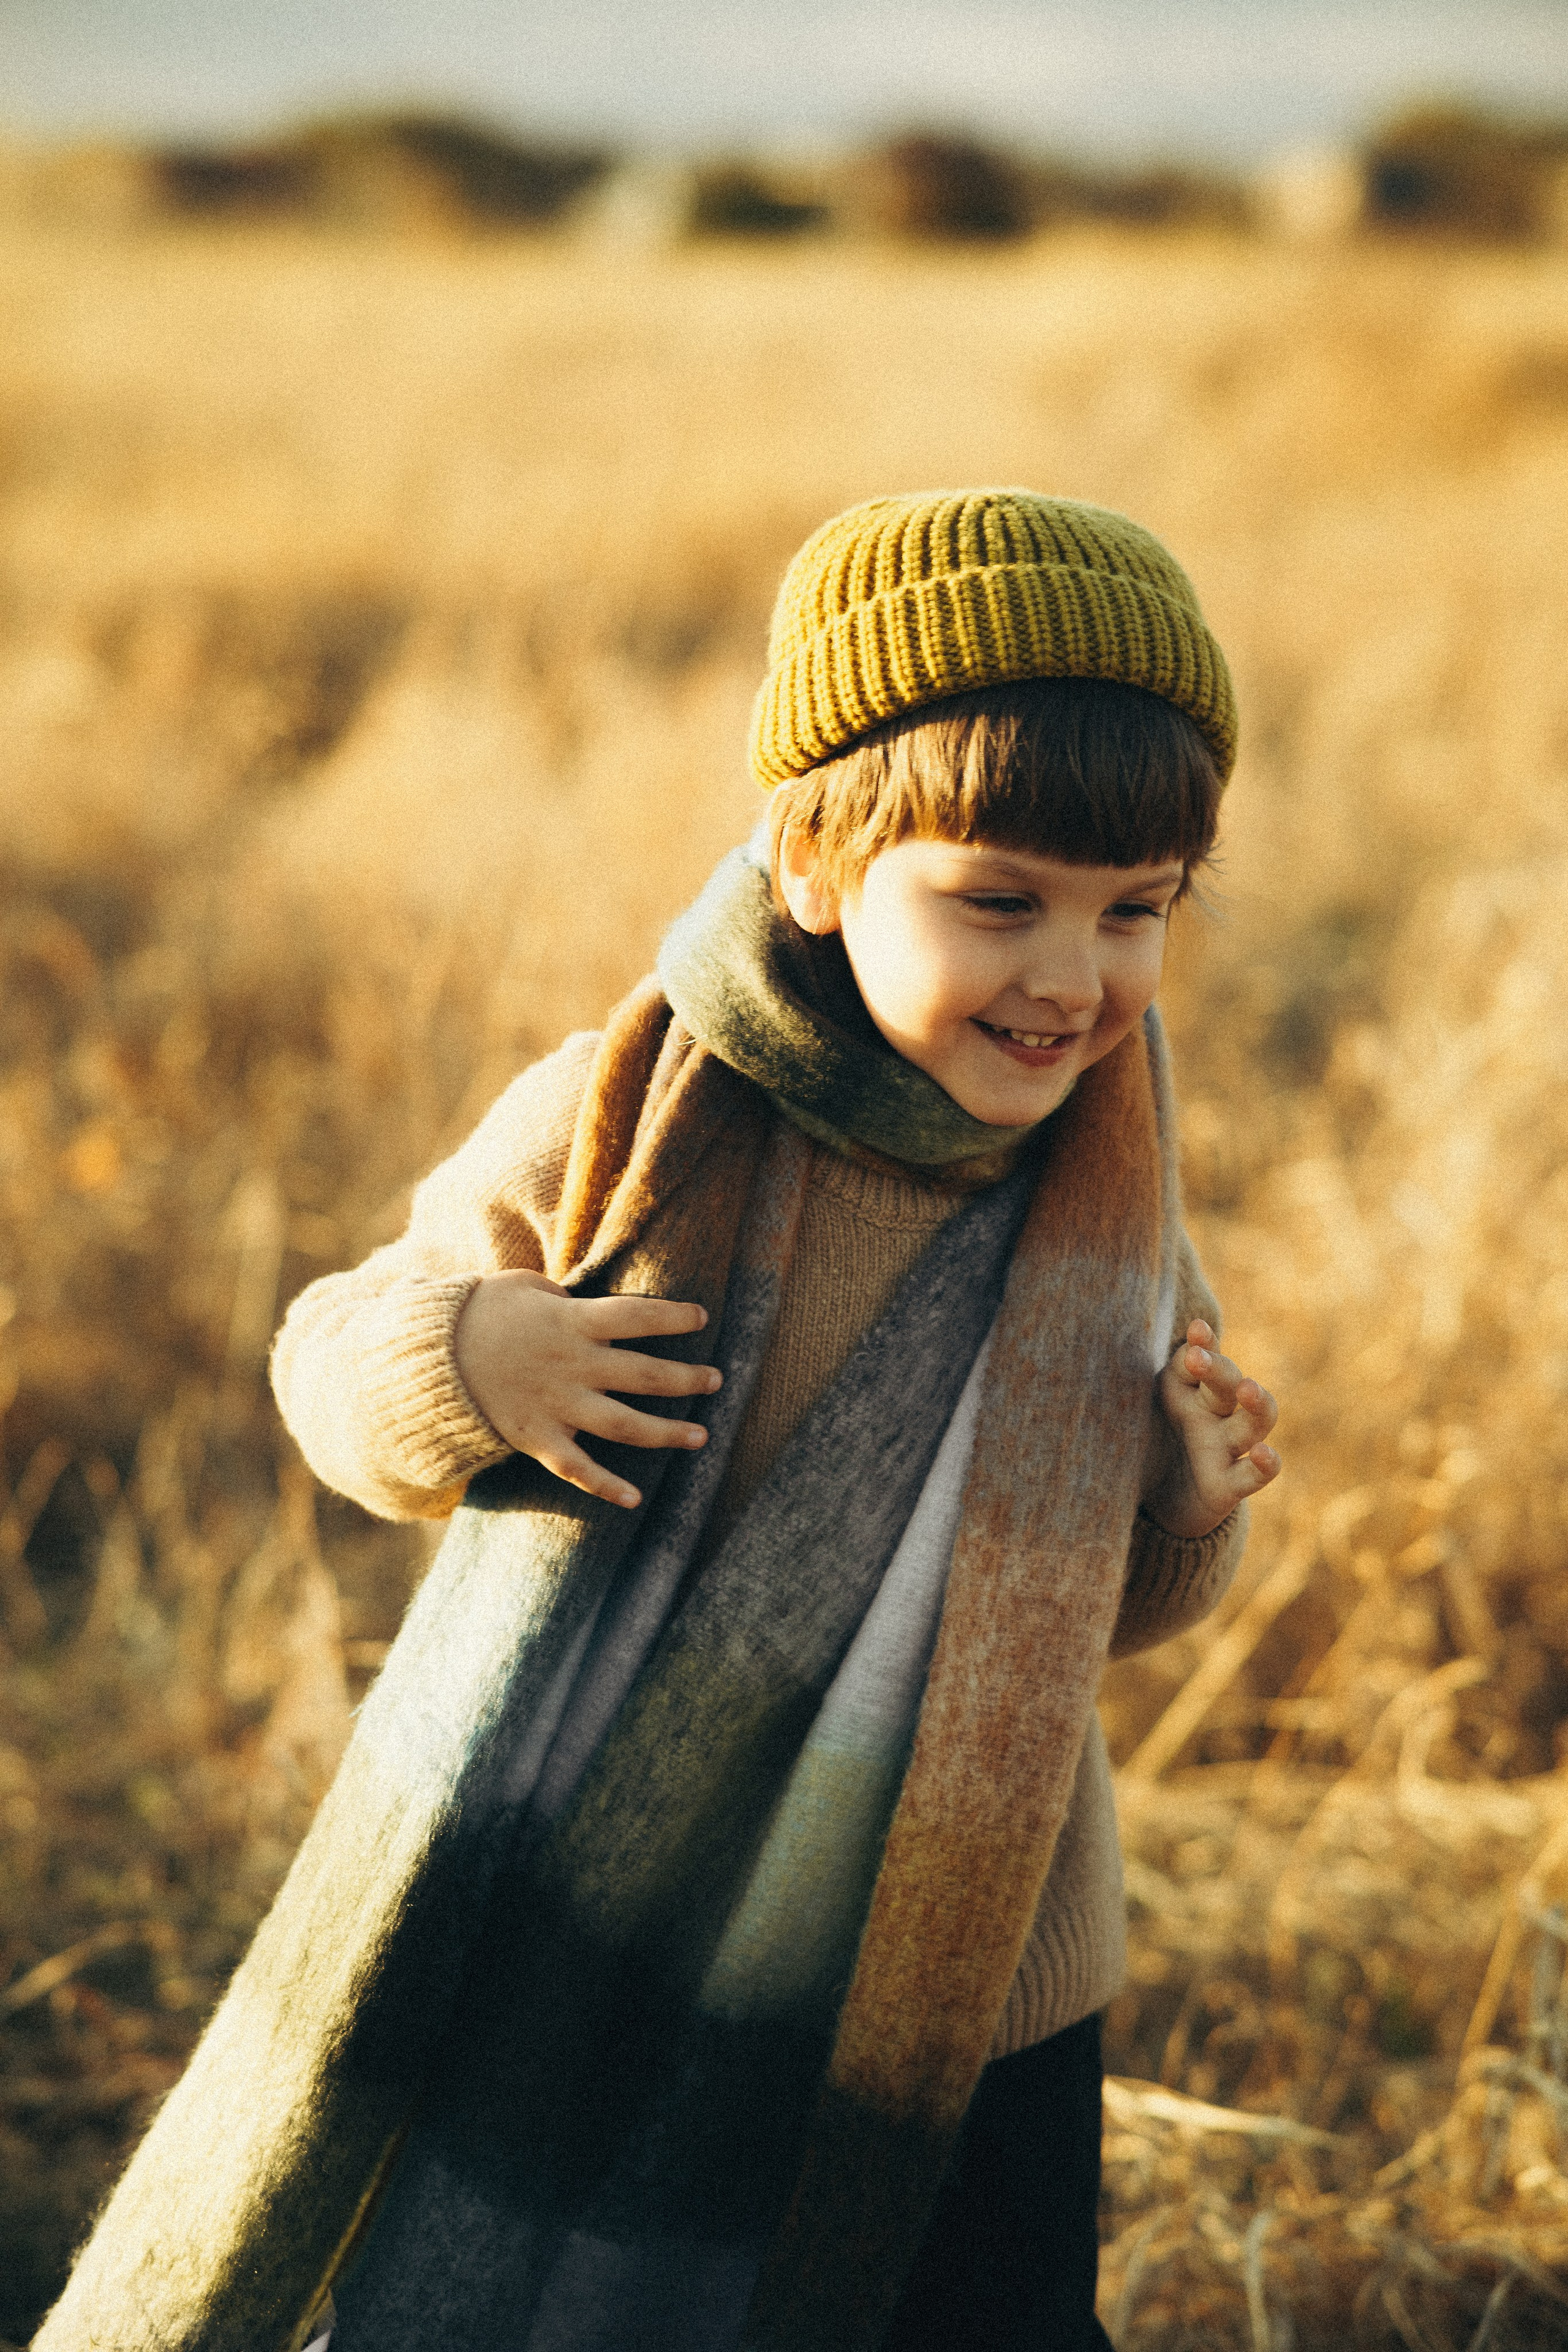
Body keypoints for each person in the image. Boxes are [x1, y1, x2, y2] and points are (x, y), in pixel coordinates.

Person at [37, 491, 1279, 2352]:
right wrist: (466, 1362)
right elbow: (327, 1357)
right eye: (998, 900)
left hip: (969, 1947)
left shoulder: (1111, 1202)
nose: (1071, 978)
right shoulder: (626, 1119)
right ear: (811, 861)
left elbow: (1103, 1618)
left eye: (1135, 914)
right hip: (611, 1902)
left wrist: (1185, 1505)